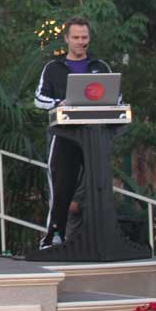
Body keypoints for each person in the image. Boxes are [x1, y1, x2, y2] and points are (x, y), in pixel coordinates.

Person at [33, 16, 112, 249]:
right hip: (65, 136)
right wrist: (62, 103)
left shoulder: (101, 67)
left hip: (96, 136)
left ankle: (100, 234)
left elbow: (116, 97)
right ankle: (54, 235)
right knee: (61, 185)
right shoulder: (53, 68)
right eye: (76, 37)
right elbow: (39, 100)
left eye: (84, 37)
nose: (81, 42)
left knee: (99, 184)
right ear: (67, 38)